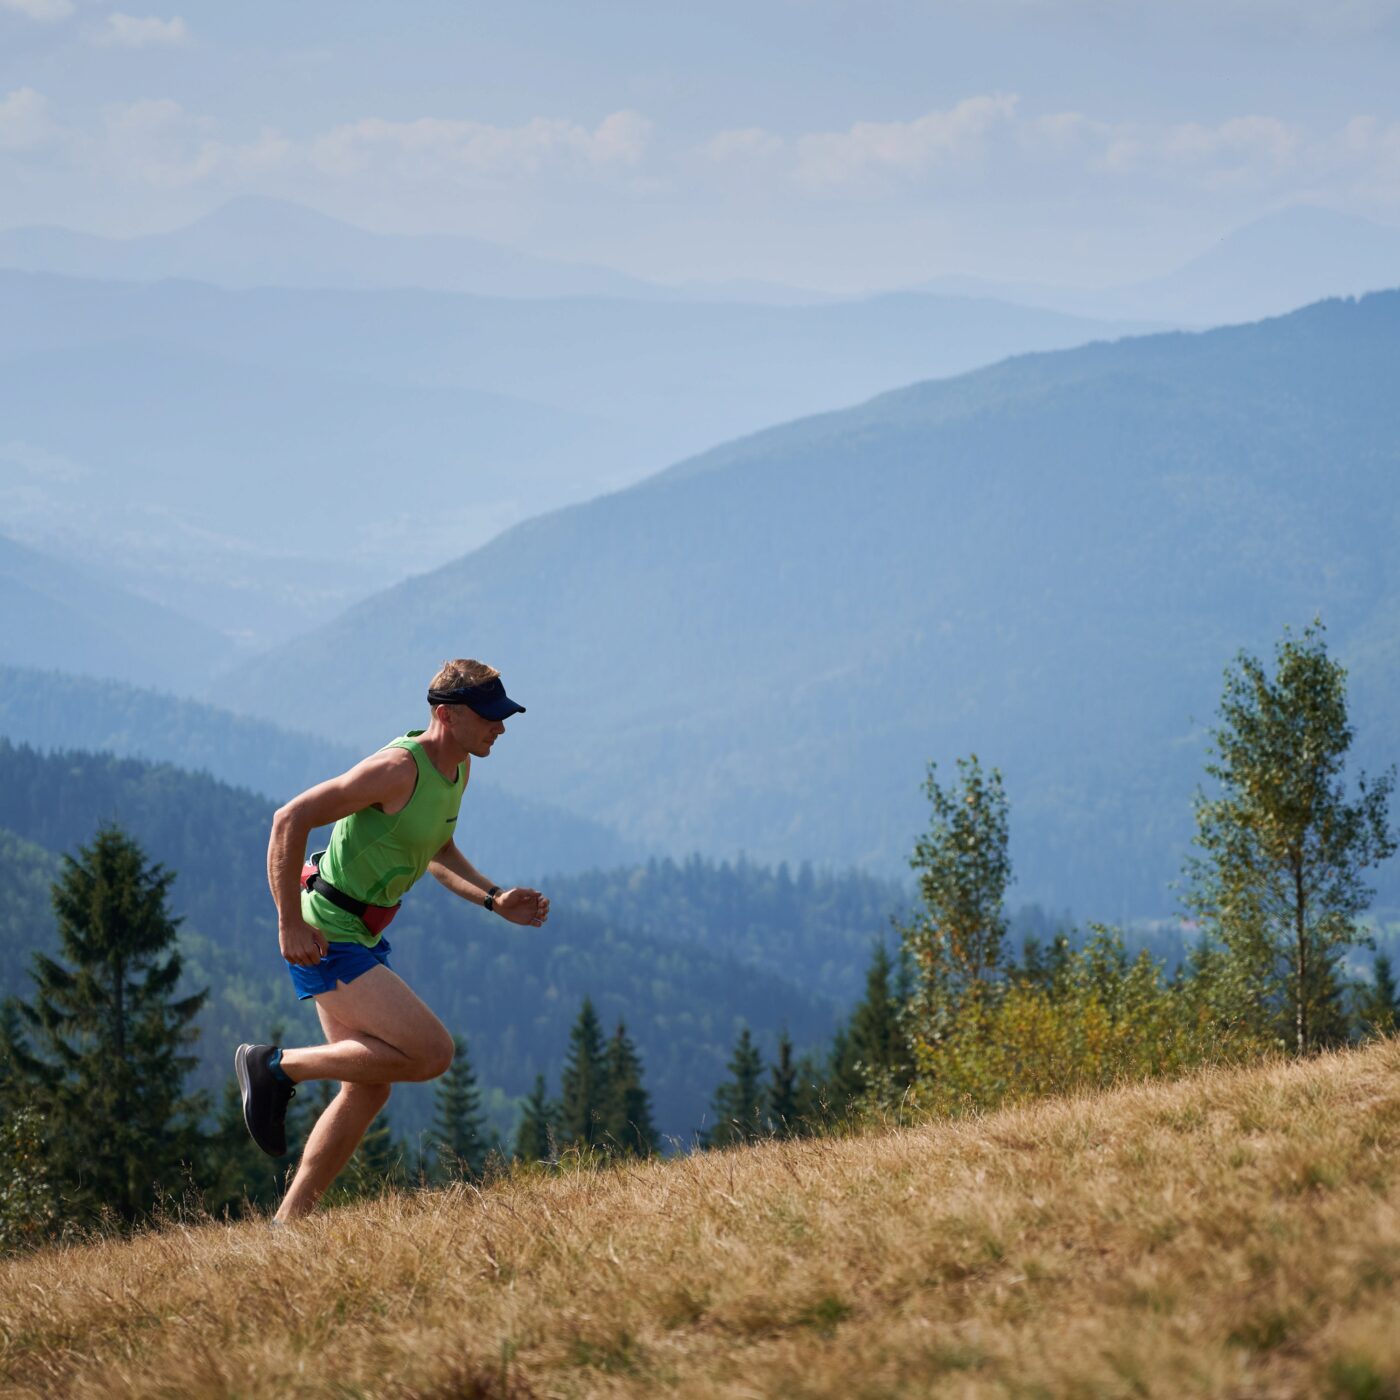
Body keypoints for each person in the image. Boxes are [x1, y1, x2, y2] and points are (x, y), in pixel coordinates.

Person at [235, 658, 549, 1221]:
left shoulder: (456, 768)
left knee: (368, 1088)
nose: (500, 727)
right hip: (328, 932)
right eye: (489, 717)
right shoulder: (397, 769)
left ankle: (286, 1225)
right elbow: (289, 819)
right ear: (446, 715)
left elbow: (433, 848)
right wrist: (288, 922)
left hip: (359, 931)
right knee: (432, 1053)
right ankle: (276, 1067)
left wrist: (493, 898)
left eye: (503, 716)